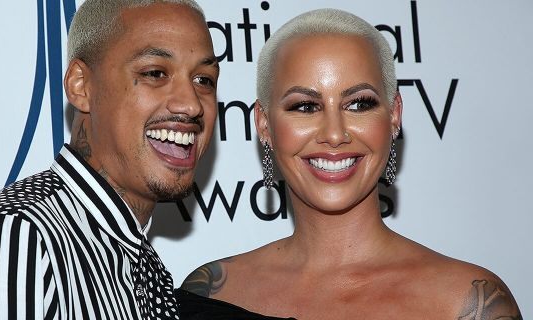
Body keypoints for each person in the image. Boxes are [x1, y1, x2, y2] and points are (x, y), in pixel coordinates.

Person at [177, 8, 521, 320]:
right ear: (264, 125)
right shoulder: (206, 295)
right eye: (305, 106)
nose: (335, 134)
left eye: (358, 104)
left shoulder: (468, 302)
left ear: (394, 115)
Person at [0, 0, 219, 319]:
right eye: (155, 73)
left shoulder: (144, 265)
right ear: (80, 85)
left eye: (204, 80)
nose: (191, 104)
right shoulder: (15, 239)